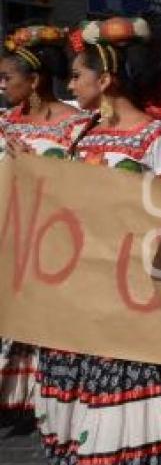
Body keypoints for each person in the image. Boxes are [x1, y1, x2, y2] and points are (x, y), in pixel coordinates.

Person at [31, 16, 161, 465]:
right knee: (72, 386)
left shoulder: (155, 138)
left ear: (105, 79)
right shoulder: (81, 134)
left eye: (77, 75)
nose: (70, 84)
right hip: (79, 284)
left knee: (122, 382)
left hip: (128, 288)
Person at [0, 26, 90, 426]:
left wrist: (34, 168)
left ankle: (51, 393)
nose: (1, 86)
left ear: (34, 81)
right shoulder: (5, 122)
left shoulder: (74, 124)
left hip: (54, 238)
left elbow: (85, 185)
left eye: (7, 78)